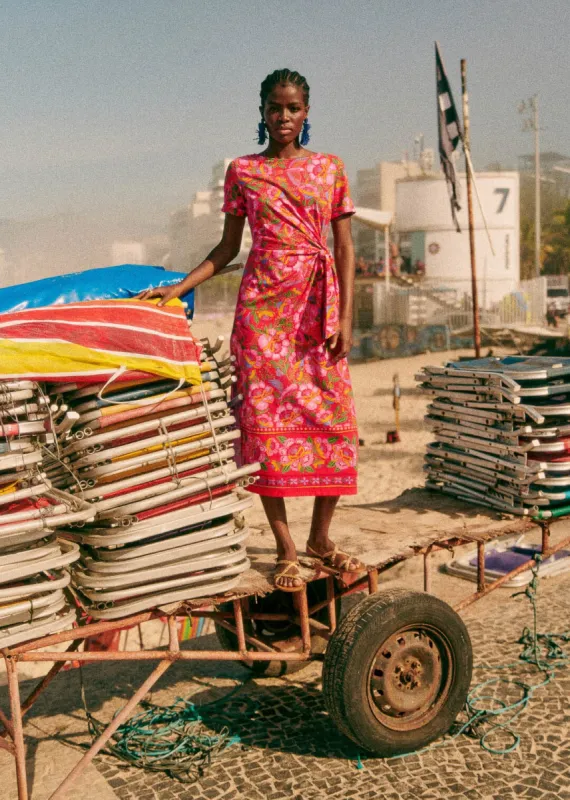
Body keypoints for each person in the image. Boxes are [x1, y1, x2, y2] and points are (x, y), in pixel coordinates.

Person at [138, 69, 361, 592]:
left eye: (294, 108)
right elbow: (228, 248)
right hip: (262, 315)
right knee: (263, 422)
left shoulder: (331, 169)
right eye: (275, 108)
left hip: (317, 306)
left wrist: (347, 316)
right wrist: (178, 287)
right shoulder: (242, 171)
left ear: (307, 112)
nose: (284, 117)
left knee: (333, 413)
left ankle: (320, 540)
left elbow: (346, 248)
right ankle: (286, 548)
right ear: (261, 111)